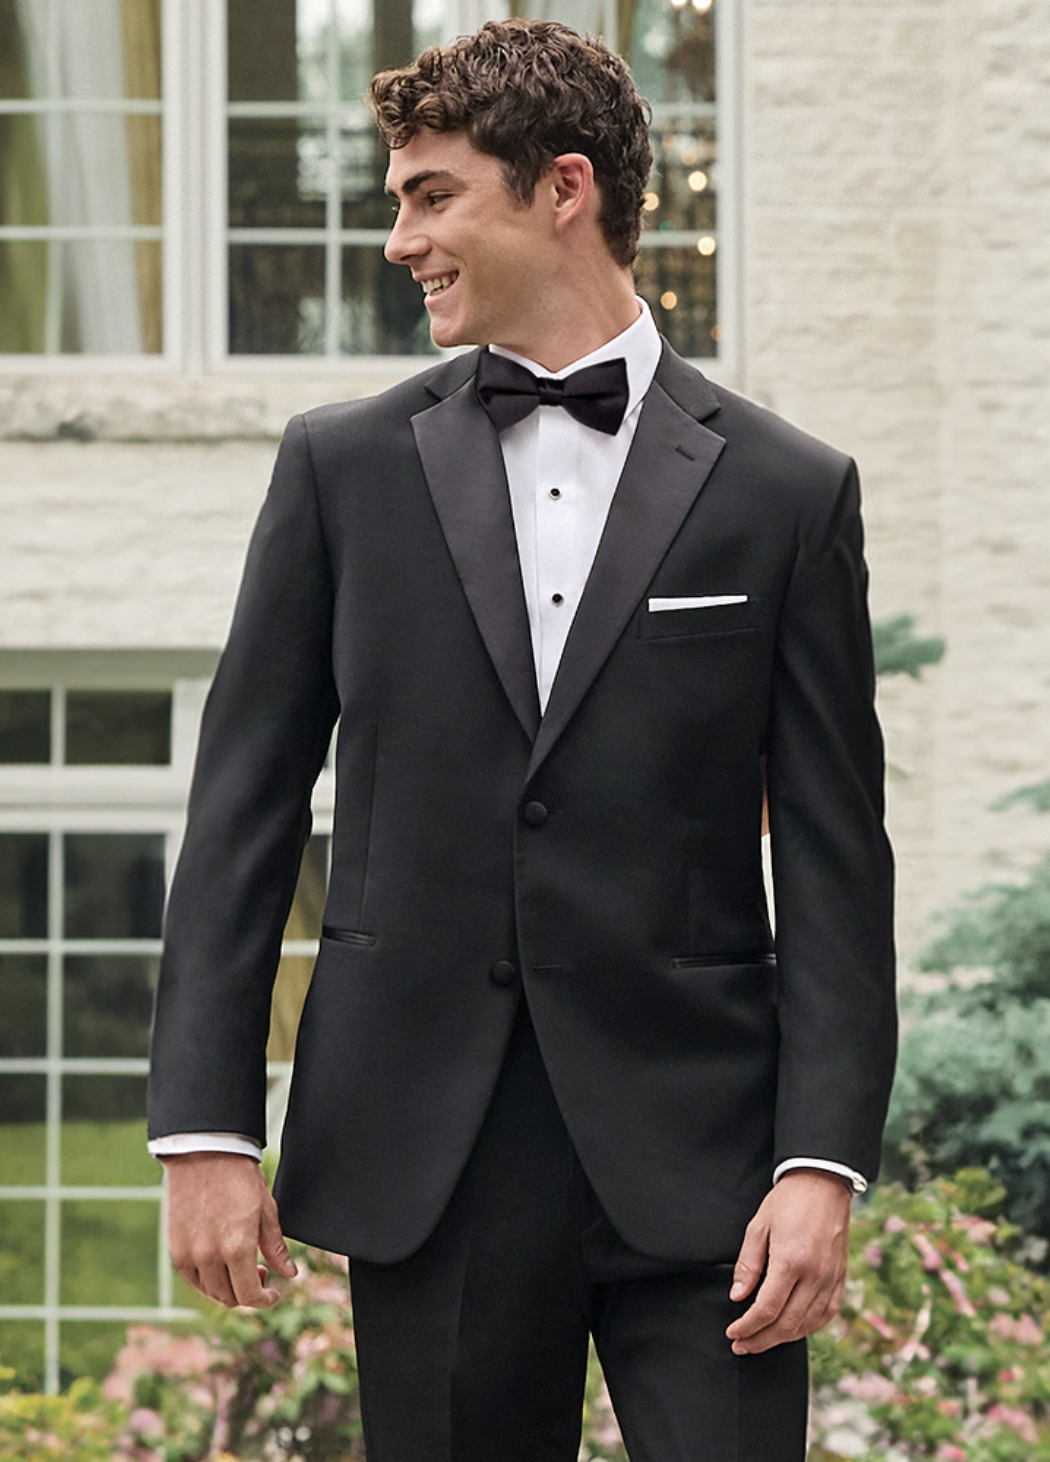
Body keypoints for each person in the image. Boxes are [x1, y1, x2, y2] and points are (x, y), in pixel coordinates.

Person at [148, 19, 896, 1462]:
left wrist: (821, 1160)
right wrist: (204, 1126)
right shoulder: (339, 471)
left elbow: (830, 853)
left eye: (431, 195)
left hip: (711, 1163)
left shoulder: (786, 493)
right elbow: (242, 806)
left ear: (561, 188)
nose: (398, 239)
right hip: (433, 1146)